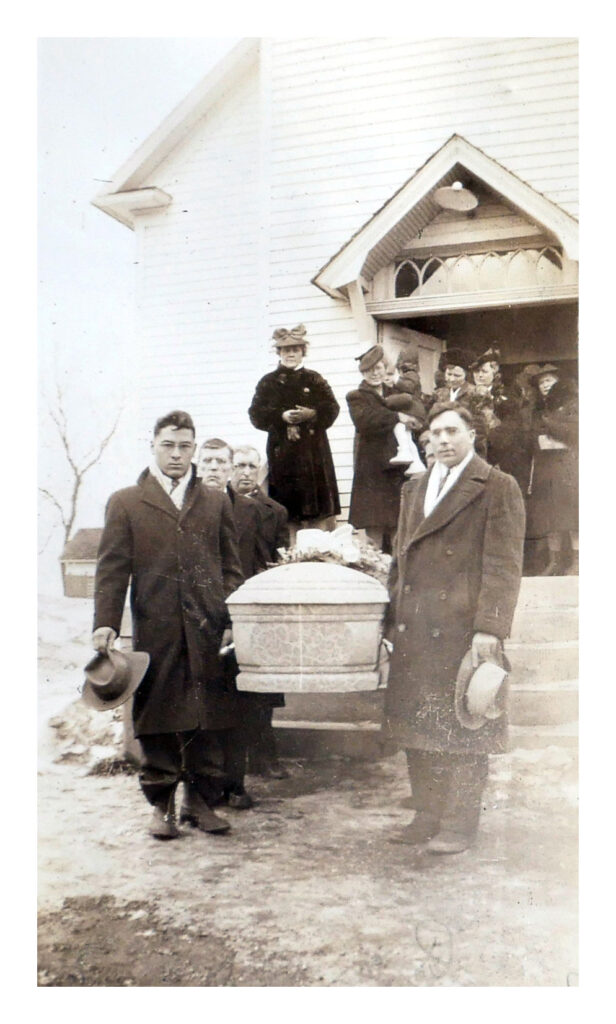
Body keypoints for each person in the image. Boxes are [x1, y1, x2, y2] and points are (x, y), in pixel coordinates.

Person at [92, 410, 245, 840]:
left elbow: (231, 566)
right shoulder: (126, 502)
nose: (177, 454)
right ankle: (161, 806)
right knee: (156, 713)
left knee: (206, 714)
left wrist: (229, 617)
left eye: (185, 446)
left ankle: (200, 802)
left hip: (206, 627)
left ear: (194, 450)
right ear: (153, 446)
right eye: (168, 445)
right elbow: (112, 570)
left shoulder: (215, 500)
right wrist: (105, 622)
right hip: (155, 629)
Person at [383, 402, 525, 854]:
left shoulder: (496, 486)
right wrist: (390, 619)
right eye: (435, 434)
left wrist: (491, 628)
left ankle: (460, 823)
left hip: (462, 630)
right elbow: (400, 559)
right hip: (414, 629)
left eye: (452, 432)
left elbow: (504, 565)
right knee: (417, 728)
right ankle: (427, 814)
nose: (442, 440)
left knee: (464, 728)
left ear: (472, 435)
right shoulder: (414, 488)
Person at [229, 445, 291, 778]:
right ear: (229, 469)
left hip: (264, 603)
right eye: (239, 466)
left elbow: (282, 561)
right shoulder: (218, 507)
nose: (245, 473)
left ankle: (266, 755)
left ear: (260, 471)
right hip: (230, 604)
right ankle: (237, 757)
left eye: (252, 467)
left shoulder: (275, 511)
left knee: (266, 683)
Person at [248, 324, 341, 539]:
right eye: (285, 350)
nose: (290, 354)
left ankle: (318, 552)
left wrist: (313, 414)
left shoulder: (314, 379)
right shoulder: (268, 382)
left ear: (302, 353)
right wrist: (280, 417)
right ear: (279, 353)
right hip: (284, 458)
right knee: (287, 511)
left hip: (314, 456)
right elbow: (255, 414)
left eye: (295, 350)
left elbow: (332, 408)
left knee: (316, 511)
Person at [346, 344, 411, 551]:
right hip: (372, 471)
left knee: (398, 527)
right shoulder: (357, 396)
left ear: (385, 368)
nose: (374, 373)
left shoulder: (397, 392)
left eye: (378, 368)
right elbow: (365, 421)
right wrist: (396, 416)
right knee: (374, 530)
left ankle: (396, 577)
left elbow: (416, 411)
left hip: (397, 469)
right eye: (368, 370)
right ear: (362, 373)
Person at [525, 364, 578, 575]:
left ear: (558, 382)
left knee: (574, 515)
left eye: (549, 380)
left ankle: (577, 560)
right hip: (545, 469)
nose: (545, 385)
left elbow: (576, 432)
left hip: (569, 468)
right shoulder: (537, 408)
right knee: (549, 516)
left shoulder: (573, 403)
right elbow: (530, 436)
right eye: (541, 382)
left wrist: (548, 427)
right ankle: (554, 561)